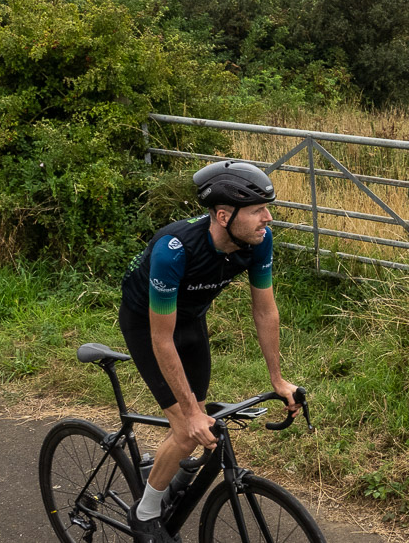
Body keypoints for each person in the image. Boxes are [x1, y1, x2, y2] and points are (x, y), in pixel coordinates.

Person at [117, 161, 299, 542]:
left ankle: (171, 472)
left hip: (191, 322)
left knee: (202, 422)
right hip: (148, 324)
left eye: (267, 209)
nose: (267, 218)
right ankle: (145, 513)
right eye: (257, 211)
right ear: (222, 215)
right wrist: (189, 413)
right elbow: (161, 339)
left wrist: (278, 379)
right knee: (188, 427)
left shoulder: (258, 240)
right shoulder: (175, 250)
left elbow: (264, 309)